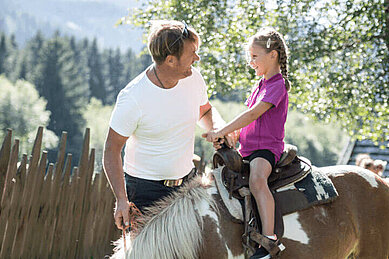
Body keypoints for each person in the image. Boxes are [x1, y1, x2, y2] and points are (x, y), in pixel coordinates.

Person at [103, 20, 232, 231]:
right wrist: (121, 199)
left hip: (189, 186)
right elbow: (111, 150)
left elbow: (205, 111)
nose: (197, 58)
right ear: (171, 60)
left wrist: (217, 126)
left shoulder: (194, 79)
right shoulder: (133, 97)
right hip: (145, 193)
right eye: (192, 53)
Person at [202, 27, 290, 259]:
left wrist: (222, 129)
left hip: (265, 149)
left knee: (257, 179)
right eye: (249, 57)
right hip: (247, 149)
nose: (250, 62)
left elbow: (253, 115)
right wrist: (230, 136)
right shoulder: (258, 85)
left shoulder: (277, 85)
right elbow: (246, 123)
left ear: (273, 55)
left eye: (254, 56)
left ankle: (269, 240)